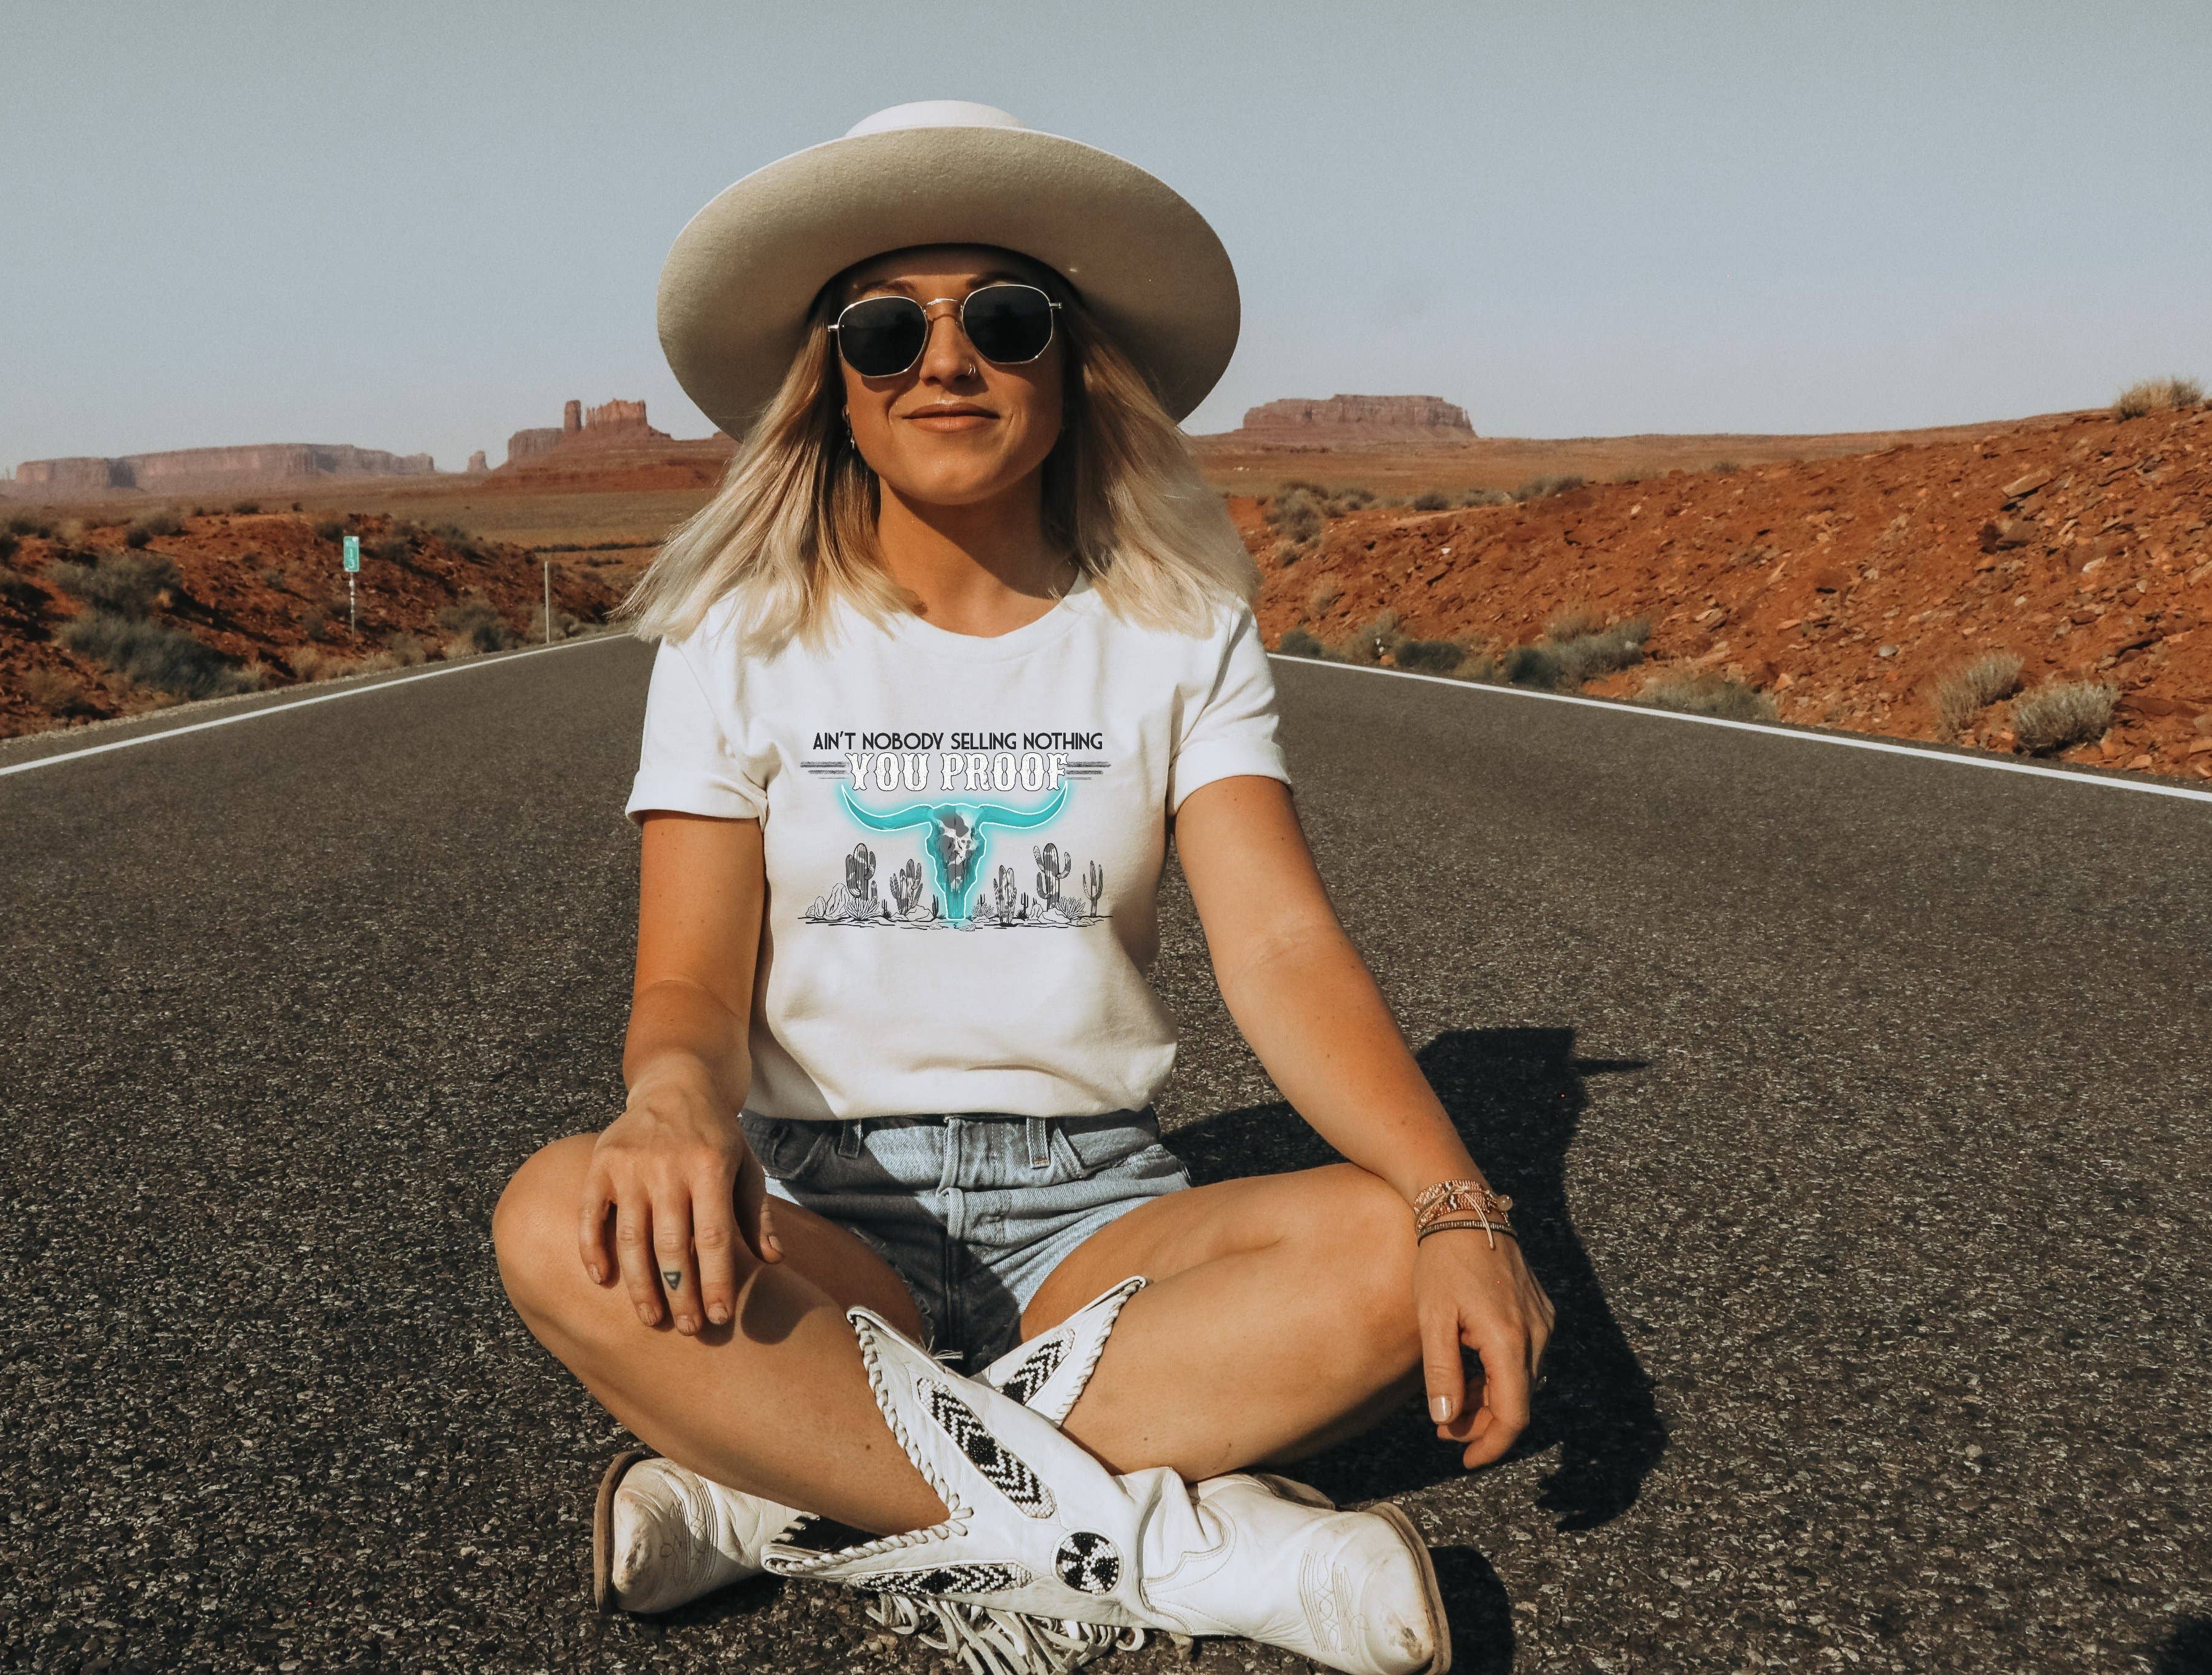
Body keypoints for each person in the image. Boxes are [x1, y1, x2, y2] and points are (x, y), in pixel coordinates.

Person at [492, 101, 1554, 1675]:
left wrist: (1459, 1205)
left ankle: (786, 1491)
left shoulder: (1177, 626)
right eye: (883, 329)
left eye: (1002, 319)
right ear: (830, 384)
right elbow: (692, 982)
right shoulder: (735, 635)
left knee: (1389, 1253)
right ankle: (1172, 1549)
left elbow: (1278, 942)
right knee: (554, 1214)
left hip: (1097, 1218)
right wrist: (666, 1107)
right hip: (814, 1213)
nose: (945, 362)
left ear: (1069, 364)